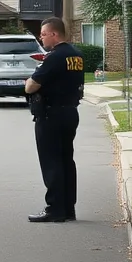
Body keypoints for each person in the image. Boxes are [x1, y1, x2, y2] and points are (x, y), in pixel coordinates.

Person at [23, 17, 85, 223]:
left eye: (43, 34)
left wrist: (29, 82)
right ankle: (68, 208)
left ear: (54, 34)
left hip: (51, 115)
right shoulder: (76, 56)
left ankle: (54, 208)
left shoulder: (55, 57)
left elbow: (32, 86)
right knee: (67, 160)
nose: (41, 38)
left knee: (52, 162)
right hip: (70, 112)